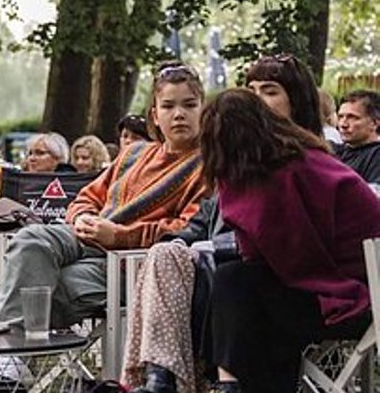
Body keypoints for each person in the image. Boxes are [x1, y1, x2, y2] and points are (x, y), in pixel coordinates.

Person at [0, 61, 207, 382]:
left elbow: (185, 232)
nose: (179, 114)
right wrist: (83, 218)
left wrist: (120, 235)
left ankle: (9, 368)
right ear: (155, 115)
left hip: (128, 263)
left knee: (33, 289)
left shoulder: (208, 166)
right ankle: (13, 363)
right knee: (31, 238)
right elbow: (86, 197)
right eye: (168, 106)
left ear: (203, 109)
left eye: (189, 105)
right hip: (85, 237)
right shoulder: (135, 154)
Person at [121, 53, 325, 393]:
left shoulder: (311, 158)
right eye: (251, 89)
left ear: (297, 100)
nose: (255, 99)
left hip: (282, 285)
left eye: (269, 90)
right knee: (165, 253)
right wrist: (180, 242)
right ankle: (161, 380)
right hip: (223, 278)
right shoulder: (241, 158)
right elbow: (201, 221)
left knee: (228, 274)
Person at [202, 89, 380, 393]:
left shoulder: (282, 173)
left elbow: (294, 256)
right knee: (238, 285)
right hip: (338, 285)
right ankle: (229, 384)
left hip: (356, 295)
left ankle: (227, 384)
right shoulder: (297, 159)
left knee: (234, 284)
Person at [0, 131, 73, 207]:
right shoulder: (16, 180)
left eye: (40, 153)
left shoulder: (71, 183)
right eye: (30, 153)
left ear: (58, 157)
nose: (31, 158)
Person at [335, 89, 380, 184]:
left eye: (352, 117)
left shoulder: (376, 155)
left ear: (374, 123)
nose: (343, 124)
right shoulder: (335, 151)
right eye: (340, 117)